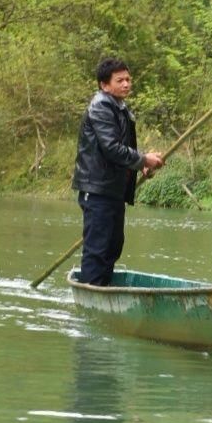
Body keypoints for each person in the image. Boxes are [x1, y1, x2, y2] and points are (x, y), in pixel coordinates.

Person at [72, 57, 163, 286]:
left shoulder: (119, 107)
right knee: (98, 249)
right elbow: (111, 148)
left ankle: (101, 289)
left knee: (113, 246)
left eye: (128, 79)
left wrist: (140, 164)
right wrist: (143, 159)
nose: (126, 84)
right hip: (97, 189)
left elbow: (122, 147)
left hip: (113, 190)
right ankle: (93, 293)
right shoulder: (101, 106)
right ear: (104, 84)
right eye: (120, 80)